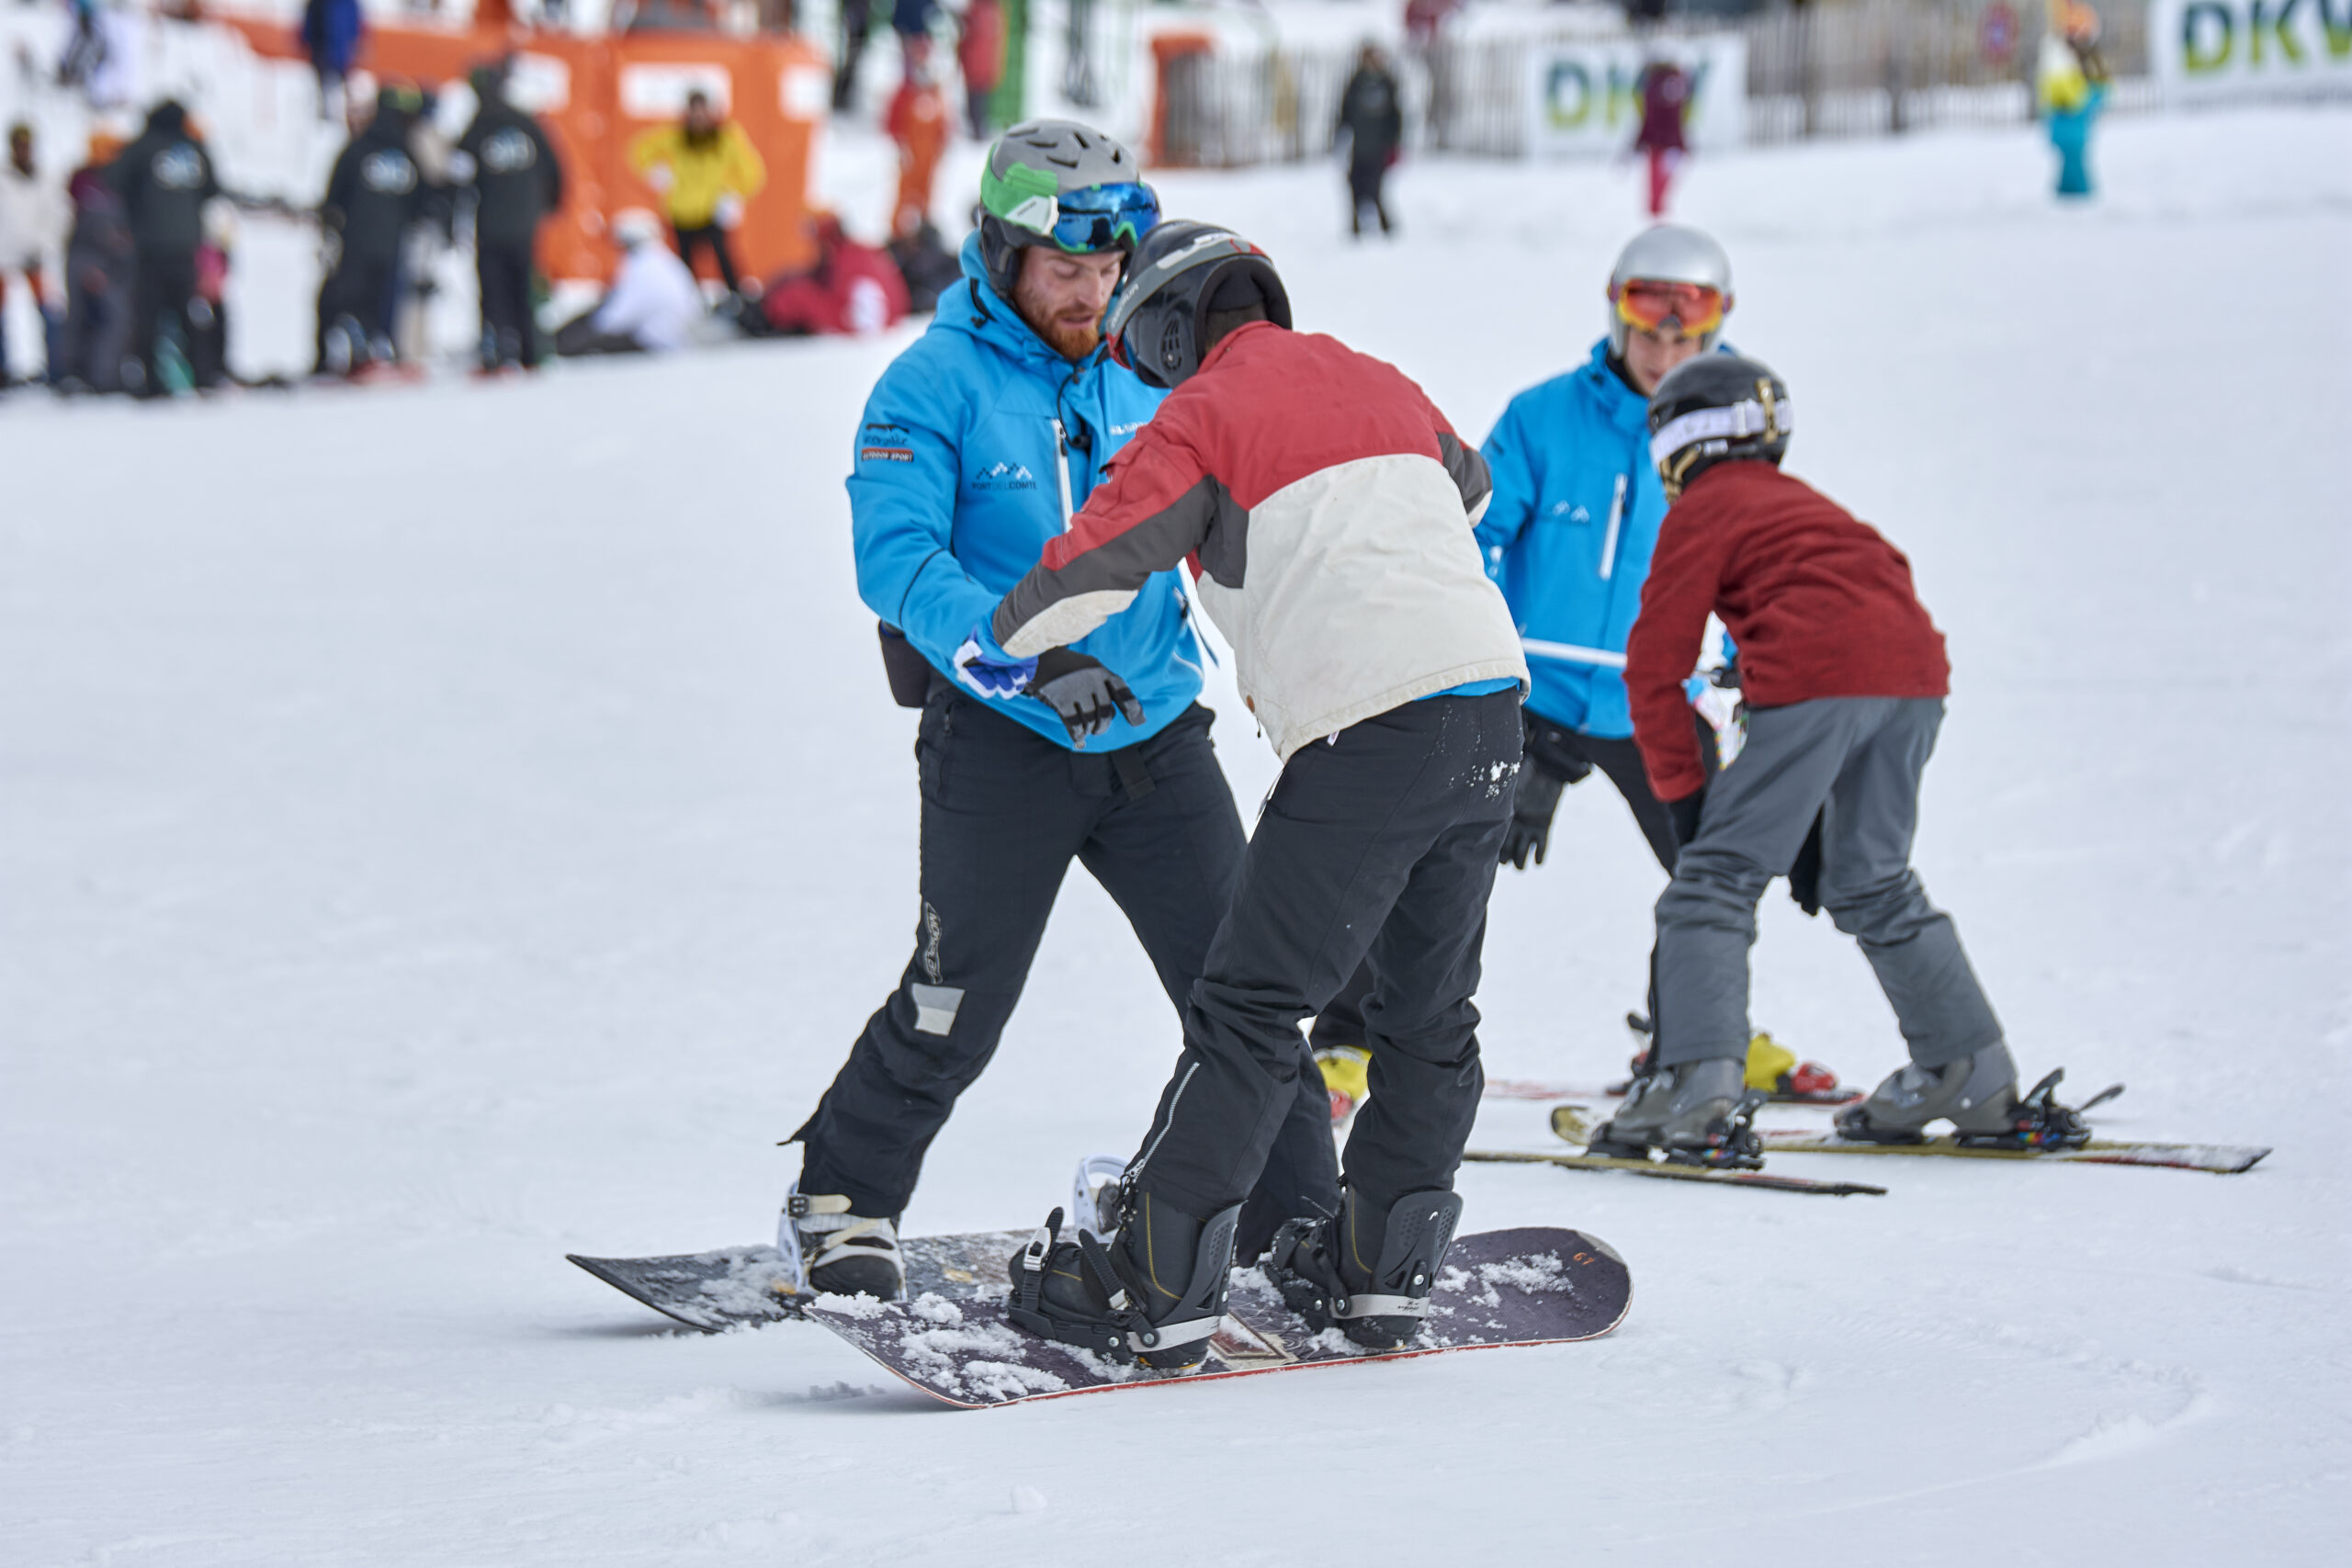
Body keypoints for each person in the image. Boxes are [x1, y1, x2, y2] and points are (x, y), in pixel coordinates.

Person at [780, 124, 1342, 1303]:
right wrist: (1017, 659)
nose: (1093, 293)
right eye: (1065, 270)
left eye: (1109, 267)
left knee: (1244, 996)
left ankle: (1301, 1219)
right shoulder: (931, 384)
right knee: (956, 1000)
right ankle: (840, 1202)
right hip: (1006, 741)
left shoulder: (1148, 365)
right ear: (1002, 255)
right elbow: (897, 558)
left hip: (1153, 732)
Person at [968, 221, 1526, 1369]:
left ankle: (1154, 1280)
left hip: (1371, 726)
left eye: (1140, 349)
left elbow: (1093, 563)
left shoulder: (1202, 413)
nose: (1143, 374)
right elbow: (1467, 492)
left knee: (1251, 1009)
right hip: (1487, 708)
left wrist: (995, 640)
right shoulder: (1378, 378)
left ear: (1171, 331)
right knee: (1428, 1012)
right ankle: (1379, 1272)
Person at [1600, 355, 2057, 1158]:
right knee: (1872, 880)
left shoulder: (1705, 506)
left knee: (1710, 885)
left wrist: (1687, 798)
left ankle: (1695, 1090)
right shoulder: (1808, 505)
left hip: (1820, 682)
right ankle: (1972, 1074)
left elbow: (1653, 667)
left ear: (1679, 443)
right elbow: (1865, 596)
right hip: (1914, 681)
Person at [1468, 225, 1828, 1100]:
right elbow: (1473, 536)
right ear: (1616, 315)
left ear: (1716, 328)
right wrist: (1479, 659)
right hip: (1530, 690)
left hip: (1652, 699)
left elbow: (1754, 568)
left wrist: (1752, 672)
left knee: (1710, 869)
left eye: (1684, 339)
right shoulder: (1542, 417)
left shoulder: (1733, 434)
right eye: (1647, 333)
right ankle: (1354, 1042)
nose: (1664, 356)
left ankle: (1702, 1036)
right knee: (1422, 844)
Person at [457, 60, 565, 373]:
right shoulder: (525, 123)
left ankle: (497, 350)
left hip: (491, 223)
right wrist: (549, 205)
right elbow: (554, 167)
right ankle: (531, 351)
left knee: (494, 290)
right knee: (524, 287)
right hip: (525, 222)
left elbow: (460, 176)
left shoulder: (478, 129)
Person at [316, 84, 432, 377]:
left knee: (350, 299)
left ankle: (355, 354)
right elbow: (422, 202)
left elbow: (334, 199)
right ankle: (381, 349)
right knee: (385, 300)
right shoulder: (407, 153)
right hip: (393, 243)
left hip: (356, 242)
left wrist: (331, 229)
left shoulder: (357, 149)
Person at [107, 98, 220, 396]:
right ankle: (203, 375)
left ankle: (151, 382)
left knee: (148, 318)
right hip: (186, 248)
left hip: (150, 248)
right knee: (190, 317)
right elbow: (212, 189)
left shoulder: (143, 146)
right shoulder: (195, 148)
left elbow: (113, 181)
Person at [628, 89, 764, 298]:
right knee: (684, 263)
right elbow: (638, 150)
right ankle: (689, 300)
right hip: (681, 211)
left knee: (724, 257)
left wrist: (733, 194)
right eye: (694, 112)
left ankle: (737, 297)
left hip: (711, 210)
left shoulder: (725, 139)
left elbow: (752, 172)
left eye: (702, 112)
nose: (698, 118)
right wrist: (655, 172)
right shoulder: (675, 137)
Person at [551, 208, 703, 355]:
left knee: (583, 342)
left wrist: (592, 324)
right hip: (674, 334)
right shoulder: (666, 260)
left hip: (654, 340)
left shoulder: (642, 267)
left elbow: (620, 315)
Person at [53, 132, 134, 393]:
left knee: (113, 318)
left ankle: (104, 374)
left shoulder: (121, 178)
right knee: (80, 317)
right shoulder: (82, 180)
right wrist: (90, 265)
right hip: (85, 258)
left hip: (113, 262)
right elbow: (70, 223)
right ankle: (76, 373)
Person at [757, 213, 907, 337]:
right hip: (886, 322)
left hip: (858, 325)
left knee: (796, 292)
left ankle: (764, 314)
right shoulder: (864, 253)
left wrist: (776, 305)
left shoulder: (844, 260)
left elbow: (839, 303)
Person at [1, 121, 69, 388]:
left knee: (50, 312)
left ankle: (56, 368)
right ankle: (3, 370)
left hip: (37, 256)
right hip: (4, 255)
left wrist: (43, 245)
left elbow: (59, 214)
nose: (23, 150)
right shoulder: (4, 177)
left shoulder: (46, 178)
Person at [2038, 2, 2109, 200]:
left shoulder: (2081, 57)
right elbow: (2058, 88)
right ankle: (2073, 191)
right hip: (2065, 117)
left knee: (2074, 159)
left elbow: (2100, 82)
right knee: (2071, 159)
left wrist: (2092, 96)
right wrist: (2083, 98)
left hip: (2074, 118)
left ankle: (2072, 191)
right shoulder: (2060, 55)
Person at [884, 39, 950, 240]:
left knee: (927, 194)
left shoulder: (936, 94)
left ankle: (923, 234)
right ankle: (897, 234)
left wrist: (942, 147)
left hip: (930, 156)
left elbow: (944, 126)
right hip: (910, 155)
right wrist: (900, 146)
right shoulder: (904, 94)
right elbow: (892, 123)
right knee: (905, 194)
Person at [1335, 43, 1402, 239]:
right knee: (1355, 186)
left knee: (1376, 189)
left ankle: (1386, 225)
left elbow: (1395, 116)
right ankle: (1355, 226)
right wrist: (1342, 137)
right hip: (1359, 147)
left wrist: (1393, 143)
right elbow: (1345, 113)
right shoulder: (1356, 83)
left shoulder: (1387, 83)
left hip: (1379, 148)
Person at [1632, 57, 1689, 219]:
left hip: (1661, 145)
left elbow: (1657, 117)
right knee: (1659, 195)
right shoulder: (1672, 81)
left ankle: (1658, 222)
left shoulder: (1659, 82)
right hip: (1666, 144)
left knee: (1657, 196)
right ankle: (1658, 221)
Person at [300, 0, 364, 122]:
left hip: (342, 59)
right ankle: (326, 121)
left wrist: (357, 48)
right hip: (323, 57)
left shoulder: (349, 3)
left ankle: (337, 121)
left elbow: (357, 27)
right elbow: (309, 28)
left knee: (340, 93)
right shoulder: (318, 3)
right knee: (325, 92)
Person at [956, 0, 1004, 140]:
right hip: (984, 65)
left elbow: (968, 38)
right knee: (980, 100)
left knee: (976, 101)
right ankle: (977, 129)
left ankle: (976, 130)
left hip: (977, 65)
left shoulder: (977, 11)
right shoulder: (994, 10)